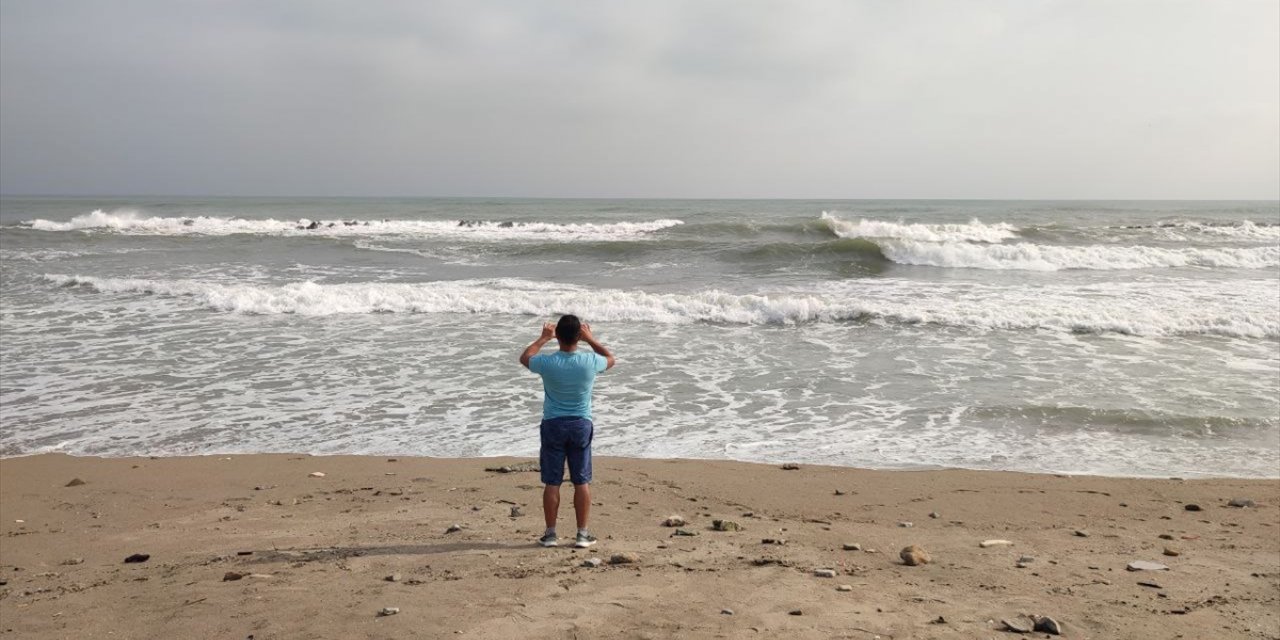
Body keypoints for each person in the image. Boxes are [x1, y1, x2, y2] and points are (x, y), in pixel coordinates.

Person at [519, 314, 615, 548]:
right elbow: (610, 358)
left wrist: (543, 338)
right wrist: (591, 339)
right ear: (578, 337)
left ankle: (551, 534)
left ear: (558, 336)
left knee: (552, 481)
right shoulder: (590, 361)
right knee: (581, 480)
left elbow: (525, 357)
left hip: (553, 424)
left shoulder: (548, 363)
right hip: (581, 424)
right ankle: (582, 534)